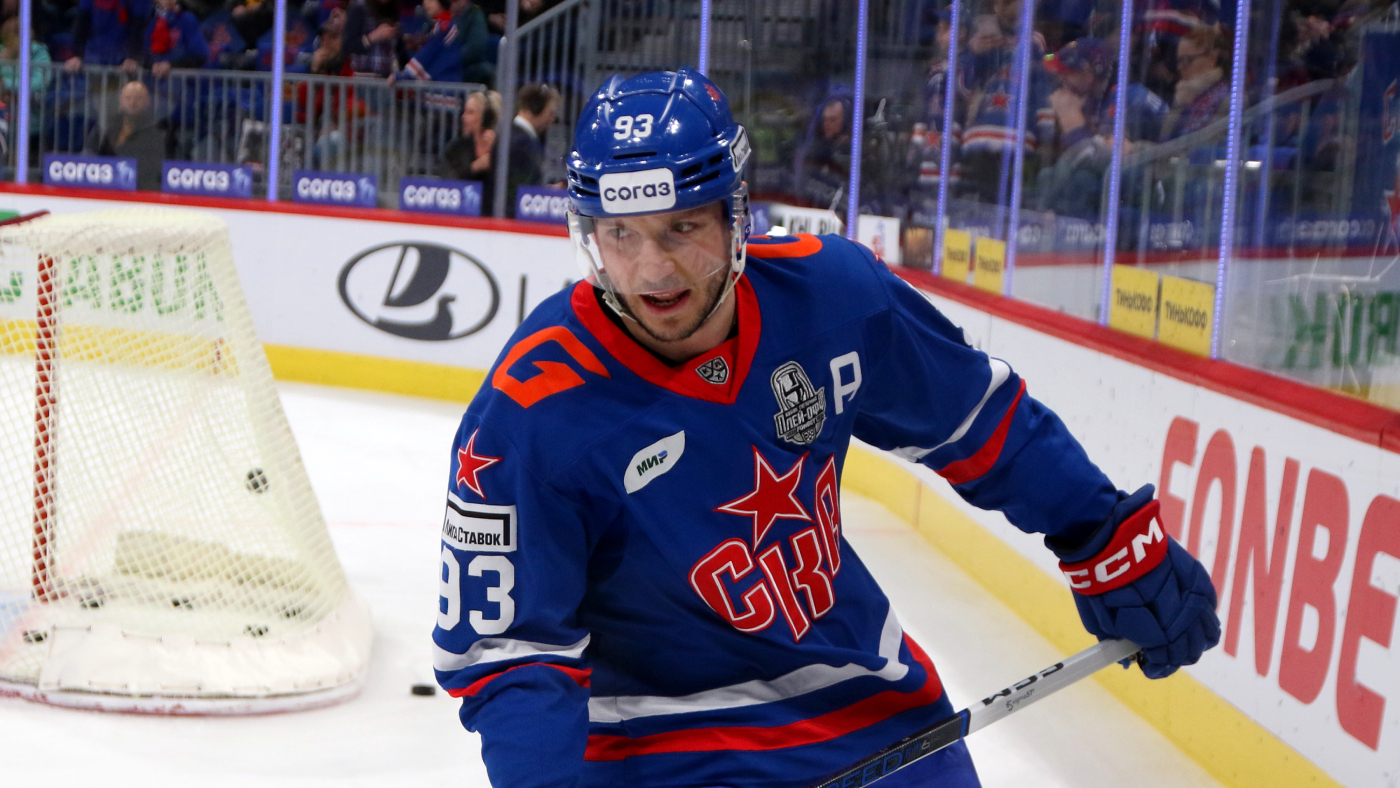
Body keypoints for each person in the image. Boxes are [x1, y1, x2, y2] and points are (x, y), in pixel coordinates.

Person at [432, 68, 1221, 788]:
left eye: (683, 228)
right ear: (590, 234)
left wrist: (1100, 531)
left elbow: (976, 419)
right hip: (654, 746)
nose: (652, 271)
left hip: (867, 712)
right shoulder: (531, 409)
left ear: (735, 214)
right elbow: (511, 655)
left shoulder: (832, 295)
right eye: (622, 235)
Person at [1036, 37, 1167, 219]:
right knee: (1048, 175)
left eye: (1066, 72)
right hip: (1118, 186)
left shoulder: (1129, 98)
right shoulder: (1092, 98)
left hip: (1149, 191)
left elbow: (1105, 159)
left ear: (1088, 74)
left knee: (1083, 181)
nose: (1060, 78)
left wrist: (1072, 122)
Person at [84, 81, 166, 191]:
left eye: (138, 99)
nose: (132, 103)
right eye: (128, 98)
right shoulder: (108, 124)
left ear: (147, 102)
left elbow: (152, 166)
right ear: (121, 100)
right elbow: (90, 150)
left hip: (140, 188)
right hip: (105, 183)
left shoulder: (155, 130)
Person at [1158, 25, 1230, 141]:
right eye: (1179, 61)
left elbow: (1200, 147)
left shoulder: (1227, 101)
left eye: (1187, 60)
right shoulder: (1183, 98)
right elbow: (1165, 142)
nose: (1180, 67)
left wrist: (1137, 148)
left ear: (1212, 59)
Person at [435, 90, 497, 206]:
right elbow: (447, 178)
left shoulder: (500, 148)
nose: (463, 117)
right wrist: (474, 167)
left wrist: (495, 153)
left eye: (470, 112)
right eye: (465, 112)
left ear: (485, 117)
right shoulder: (456, 147)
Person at [504, 81, 558, 215]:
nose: (552, 119)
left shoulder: (511, 136)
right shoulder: (522, 143)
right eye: (550, 113)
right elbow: (518, 191)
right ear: (535, 108)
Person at [67, 0, 152, 74]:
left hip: (125, 61)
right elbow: (82, 24)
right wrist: (77, 55)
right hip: (93, 57)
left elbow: (140, 28)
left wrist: (133, 57)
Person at [390, 0, 462, 83]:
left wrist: (402, 75)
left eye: (431, 0)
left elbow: (429, 52)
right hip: (443, 82)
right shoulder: (438, 25)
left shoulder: (445, 26)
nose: (427, 4)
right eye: (425, 1)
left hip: (445, 83)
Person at [146, 0, 210, 78]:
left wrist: (171, 65)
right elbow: (143, 54)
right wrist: (152, 65)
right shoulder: (151, 20)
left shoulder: (187, 19)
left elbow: (200, 56)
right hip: (152, 81)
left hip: (182, 82)